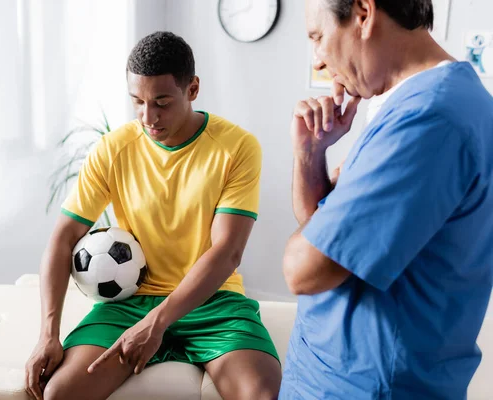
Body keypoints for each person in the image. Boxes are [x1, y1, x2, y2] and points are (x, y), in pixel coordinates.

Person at [25, 31, 281, 400]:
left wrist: (158, 323)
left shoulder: (237, 147)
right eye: (138, 102)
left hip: (212, 300)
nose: (149, 117)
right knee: (60, 393)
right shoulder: (114, 149)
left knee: (260, 395)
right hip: (130, 302)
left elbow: (228, 251)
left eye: (161, 102)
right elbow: (64, 237)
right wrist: (47, 335)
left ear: (192, 89)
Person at [280, 0, 493, 399]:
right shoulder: (411, 106)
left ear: (363, 13)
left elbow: (304, 269)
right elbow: (326, 230)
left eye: (318, 36)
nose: (319, 60)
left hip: (367, 388)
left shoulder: (430, 118)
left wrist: (312, 237)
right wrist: (310, 154)